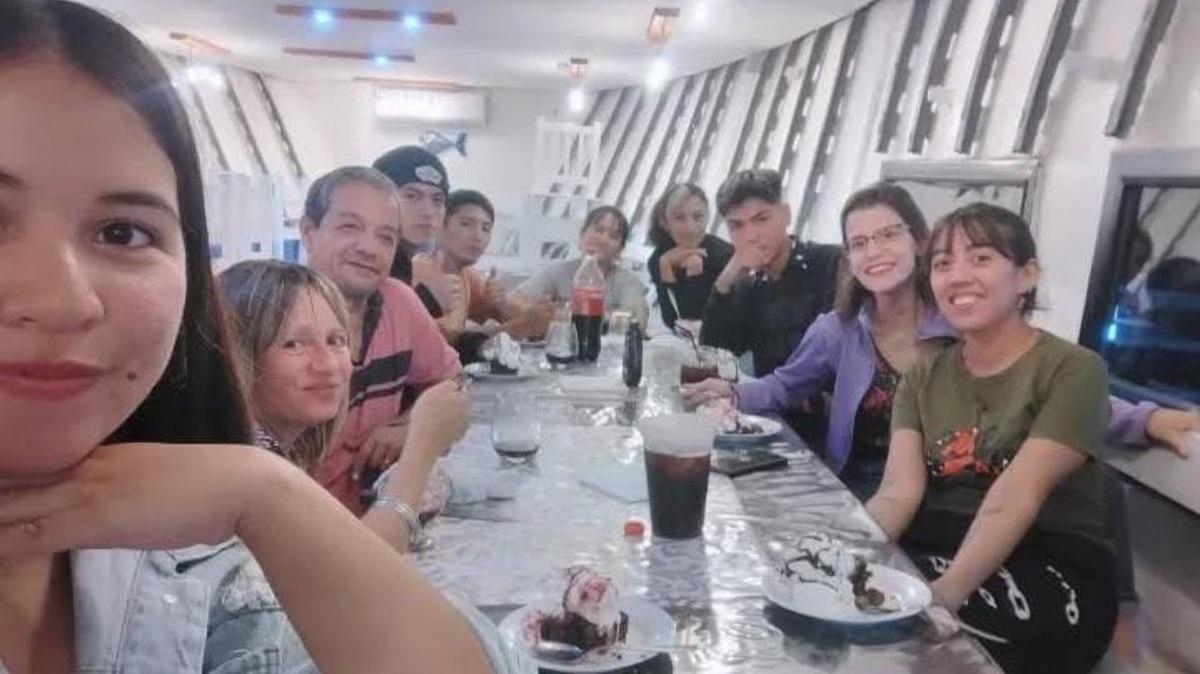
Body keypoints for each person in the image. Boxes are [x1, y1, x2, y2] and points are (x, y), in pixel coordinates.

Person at [0, 2, 519, 671]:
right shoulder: (260, 323)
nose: (65, 301)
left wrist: (266, 497)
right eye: (350, 227)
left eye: (122, 232)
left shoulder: (181, 557)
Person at [683, 184, 1197, 497]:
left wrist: (1147, 419)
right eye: (860, 243)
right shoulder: (838, 329)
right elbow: (783, 386)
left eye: (889, 235)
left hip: (957, 491)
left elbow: (1048, 385)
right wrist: (728, 392)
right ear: (849, 257)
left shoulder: (961, 321)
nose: (874, 251)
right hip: (864, 485)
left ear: (920, 242)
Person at [865, 203, 1124, 672]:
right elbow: (897, 493)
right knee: (857, 608)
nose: (957, 276)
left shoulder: (1074, 370)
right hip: (940, 544)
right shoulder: (922, 377)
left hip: (1048, 559)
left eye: (981, 258)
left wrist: (943, 597)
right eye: (942, 263)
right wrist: (847, 558)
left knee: (917, 644)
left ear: (1026, 276)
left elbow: (1016, 496)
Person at [219, 261, 470, 554]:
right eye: (294, 344)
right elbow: (358, 569)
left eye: (336, 340)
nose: (328, 364)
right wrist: (422, 444)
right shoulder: (242, 463)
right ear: (237, 355)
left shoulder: (287, 449)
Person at [299, 165, 461, 513]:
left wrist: (407, 427)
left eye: (386, 237)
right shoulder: (269, 318)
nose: (369, 248)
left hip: (374, 515)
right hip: (290, 529)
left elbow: (455, 387)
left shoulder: (398, 302)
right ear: (308, 232)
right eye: (349, 227)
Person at [698, 169, 843, 377]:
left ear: (786, 215)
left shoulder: (831, 263)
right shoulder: (748, 285)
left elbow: (833, 358)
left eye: (761, 219)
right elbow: (714, 353)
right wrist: (724, 282)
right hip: (768, 397)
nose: (750, 236)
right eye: (736, 226)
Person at [437, 189, 552, 342]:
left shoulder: (467, 275)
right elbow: (443, 346)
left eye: (485, 228)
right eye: (466, 224)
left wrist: (503, 303)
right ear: (440, 225)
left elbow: (529, 320)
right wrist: (521, 327)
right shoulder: (422, 271)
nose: (478, 236)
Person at [514, 205, 650, 327]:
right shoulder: (558, 272)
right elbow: (514, 300)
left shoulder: (629, 282)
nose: (603, 239)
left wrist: (566, 314)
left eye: (613, 236)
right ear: (581, 235)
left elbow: (637, 322)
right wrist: (535, 314)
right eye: (598, 230)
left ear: (620, 250)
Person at [645, 183, 734, 330]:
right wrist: (666, 268)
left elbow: (701, 325)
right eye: (680, 218)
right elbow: (672, 321)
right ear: (664, 222)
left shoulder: (725, 257)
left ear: (708, 217)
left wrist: (694, 271)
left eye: (698, 217)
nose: (690, 228)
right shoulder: (660, 259)